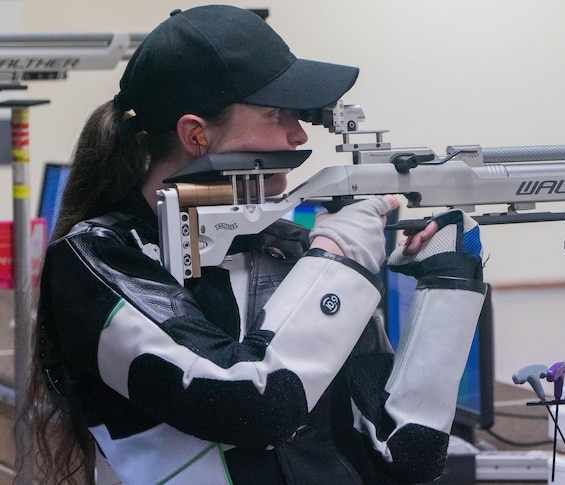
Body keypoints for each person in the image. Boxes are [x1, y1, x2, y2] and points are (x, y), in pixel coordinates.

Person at [22, 5, 486, 485]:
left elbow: (408, 455)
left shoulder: (288, 250)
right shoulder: (98, 263)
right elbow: (253, 406)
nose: (298, 134)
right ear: (196, 134)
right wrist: (337, 262)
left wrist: (446, 284)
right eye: (275, 113)